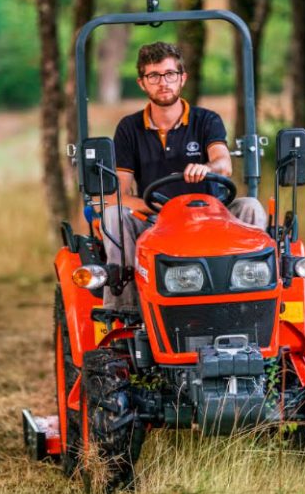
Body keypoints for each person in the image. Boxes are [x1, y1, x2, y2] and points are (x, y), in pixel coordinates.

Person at [102, 41, 267, 311]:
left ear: (182, 78)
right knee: (112, 215)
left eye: (170, 74)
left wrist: (208, 168)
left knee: (251, 207)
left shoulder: (206, 120)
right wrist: (167, 208)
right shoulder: (129, 128)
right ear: (142, 83)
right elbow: (116, 195)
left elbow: (223, 164)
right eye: (153, 76)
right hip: (155, 221)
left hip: (211, 218)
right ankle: (127, 310)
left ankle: (251, 300)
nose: (163, 82)